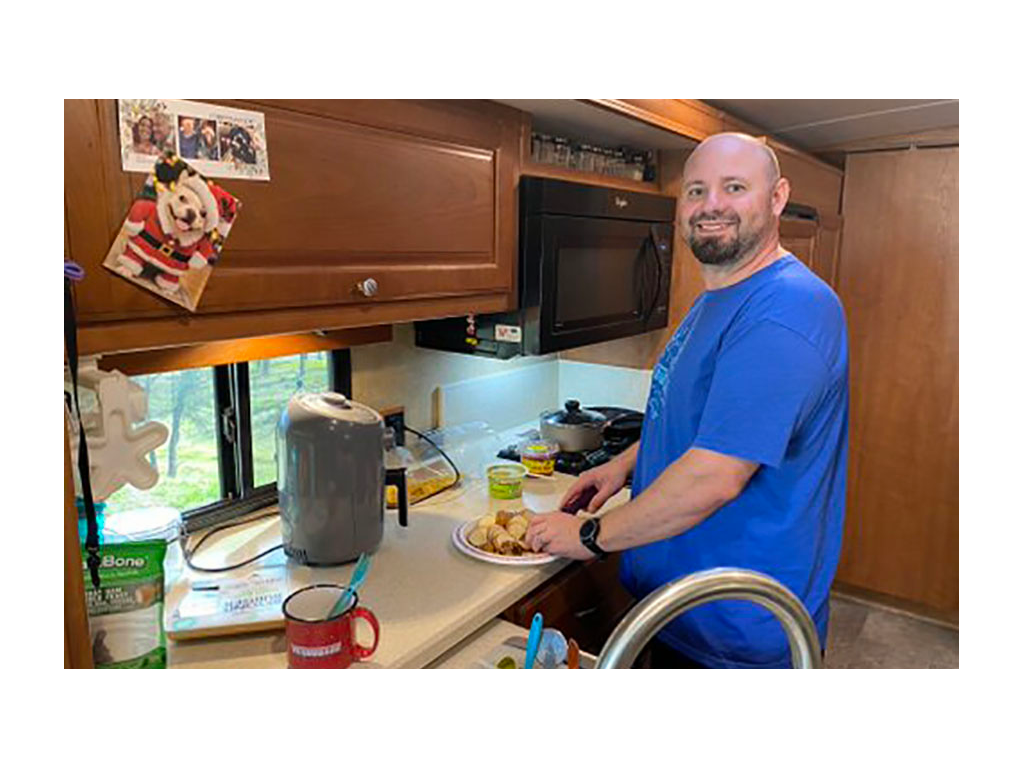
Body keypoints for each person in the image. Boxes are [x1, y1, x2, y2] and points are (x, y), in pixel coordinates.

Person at [525, 132, 849, 669]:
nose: (712, 205)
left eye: (735, 187)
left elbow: (716, 474)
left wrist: (590, 535)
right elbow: (698, 420)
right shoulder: (718, 298)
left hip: (734, 630)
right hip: (681, 607)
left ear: (777, 197)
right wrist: (624, 466)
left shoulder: (785, 311)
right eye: (697, 190)